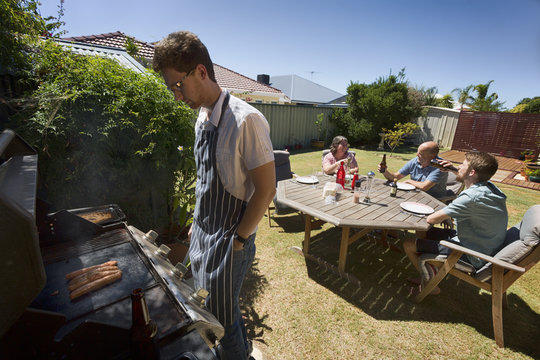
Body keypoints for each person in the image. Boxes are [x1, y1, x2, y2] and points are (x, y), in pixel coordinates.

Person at [153, 31, 275, 360]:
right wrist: (197, 221)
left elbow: (266, 190)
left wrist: (238, 240)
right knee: (203, 304)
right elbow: (206, 178)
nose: (176, 96)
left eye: (177, 85)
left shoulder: (245, 119)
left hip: (230, 239)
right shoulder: (202, 118)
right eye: (171, 88)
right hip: (203, 232)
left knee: (222, 317)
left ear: (201, 72)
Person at [403, 151, 508, 294]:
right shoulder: (488, 188)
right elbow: (472, 179)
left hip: (472, 254)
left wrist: (442, 213)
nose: (458, 167)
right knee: (423, 232)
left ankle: (431, 286)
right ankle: (428, 272)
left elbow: (431, 219)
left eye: (462, 165)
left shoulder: (472, 197)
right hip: (481, 244)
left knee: (409, 244)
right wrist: (452, 169)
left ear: (472, 172)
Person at [378, 141, 448, 198]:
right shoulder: (415, 161)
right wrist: (385, 171)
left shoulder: (439, 167)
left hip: (434, 199)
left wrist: (409, 181)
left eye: (420, 153)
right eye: (418, 151)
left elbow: (424, 187)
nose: (417, 154)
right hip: (415, 195)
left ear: (432, 156)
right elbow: (395, 177)